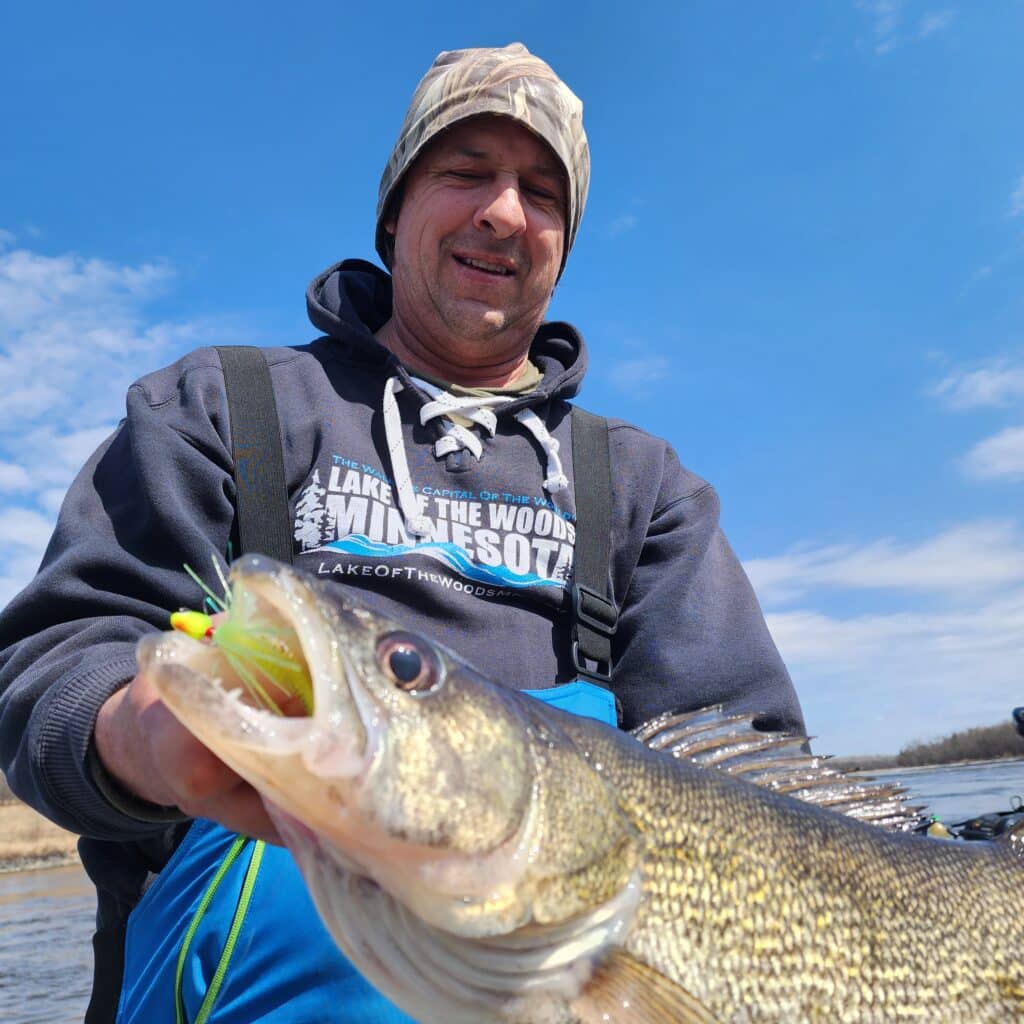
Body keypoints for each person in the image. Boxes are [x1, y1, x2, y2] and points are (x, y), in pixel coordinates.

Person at [0, 43, 804, 1023]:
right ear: (394, 211)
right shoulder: (220, 407)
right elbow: (53, 661)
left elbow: (759, 785)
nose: (503, 211)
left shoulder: (641, 486)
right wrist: (147, 738)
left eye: (541, 192)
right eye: (464, 172)